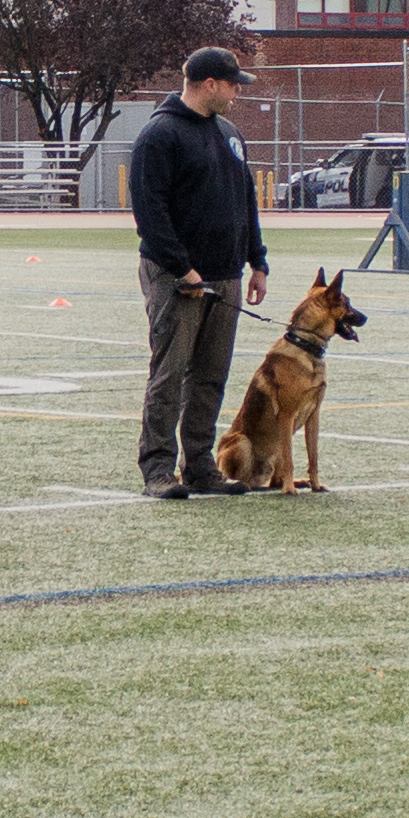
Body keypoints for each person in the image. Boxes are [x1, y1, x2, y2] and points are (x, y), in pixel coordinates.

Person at [129, 45, 268, 498]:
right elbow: (150, 212)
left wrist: (257, 261)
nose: (236, 94)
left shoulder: (228, 133)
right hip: (178, 278)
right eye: (232, 85)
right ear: (209, 85)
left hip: (223, 275)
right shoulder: (160, 135)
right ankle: (157, 469)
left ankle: (200, 466)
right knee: (170, 373)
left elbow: (244, 200)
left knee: (211, 375)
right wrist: (182, 269)